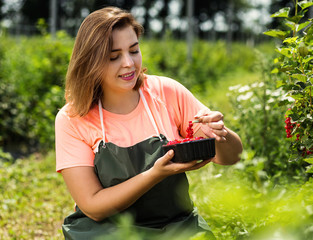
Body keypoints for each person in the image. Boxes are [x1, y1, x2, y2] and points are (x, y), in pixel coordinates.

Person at [55, 6, 243, 240]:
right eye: (114, 57)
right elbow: (93, 206)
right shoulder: (73, 118)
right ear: (90, 62)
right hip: (107, 231)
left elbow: (231, 157)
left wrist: (219, 134)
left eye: (133, 51)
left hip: (176, 226)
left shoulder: (166, 92)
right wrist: (155, 174)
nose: (128, 63)